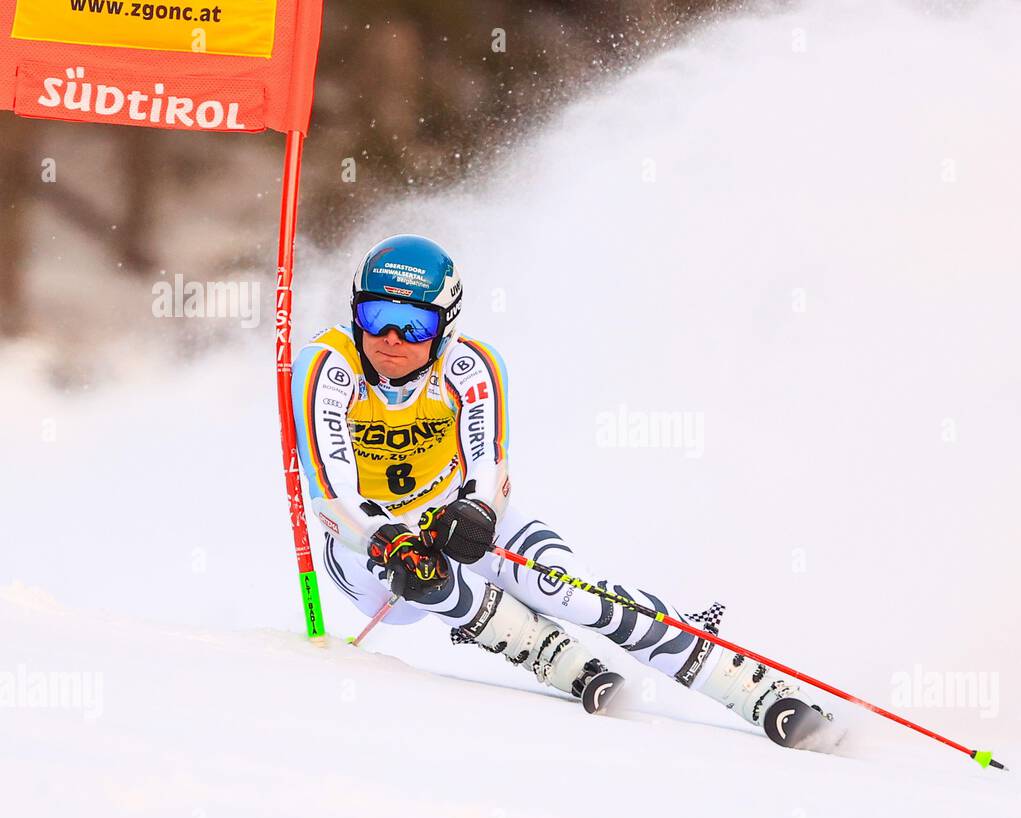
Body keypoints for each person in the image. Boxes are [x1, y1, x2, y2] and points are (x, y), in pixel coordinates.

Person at [292, 234, 826, 741]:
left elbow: (489, 469)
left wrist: (475, 509)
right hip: (363, 543)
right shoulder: (329, 366)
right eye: (377, 316)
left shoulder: (468, 366)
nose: (390, 339)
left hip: (452, 517)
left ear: (445, 326)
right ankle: (546, 652)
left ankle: (753, 689)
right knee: (424, 581)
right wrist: (388, 537)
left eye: (412, 325)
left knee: (569, 592)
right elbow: (328, 491)